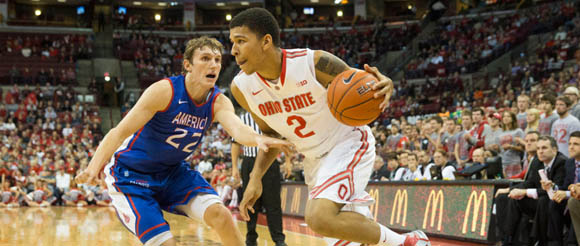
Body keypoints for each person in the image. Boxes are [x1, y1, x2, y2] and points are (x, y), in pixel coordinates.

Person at [229, 8, 429, 246]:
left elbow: (363, 86)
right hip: (314, 160)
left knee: (319, 218)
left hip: (347, 142)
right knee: (348, 239)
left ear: (266, 41)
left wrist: (385, 84)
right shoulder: (241, 88)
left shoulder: (312, 63)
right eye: (232, 42)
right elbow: (270, 136)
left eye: (241, 41)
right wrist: (255, 178)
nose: (233, 50)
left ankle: (411, 243)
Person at [74, 36, 292, 246]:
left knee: (221, 215)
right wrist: (93, 167)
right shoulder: (164, 91)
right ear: (188, 64)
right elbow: (118, 132)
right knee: (166, 243)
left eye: (217, 60)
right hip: (131, 175)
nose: (213, 65)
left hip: (172, 173)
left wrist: (257, 138)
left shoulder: (218, 101)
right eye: (205, 58)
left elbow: (236, 128)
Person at [231, 110, 287, 246]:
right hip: (249, 161)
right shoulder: (242, 118)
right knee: (250, 202)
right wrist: (234, 166)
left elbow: (283, 139)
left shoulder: (270, 115)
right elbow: (235, 143)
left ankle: (279, 239)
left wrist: (289, 161)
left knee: (273, 202)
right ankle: (250, 238)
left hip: (270, 160)